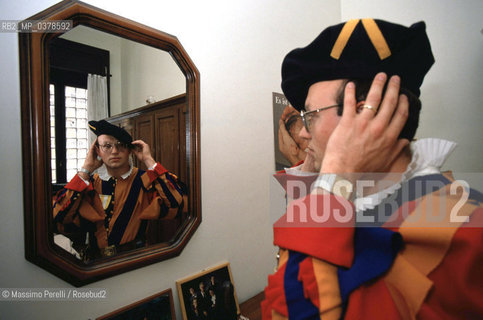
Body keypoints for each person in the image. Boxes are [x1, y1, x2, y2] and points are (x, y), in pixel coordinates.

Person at [262, 19, 483, 319]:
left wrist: (335, 174)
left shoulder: (466, 236)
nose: (302, 133)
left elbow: (289, 309)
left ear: (366, 114)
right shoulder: (358, 199)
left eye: (310, 115)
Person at [53, 120, 186, 260]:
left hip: (134, 259)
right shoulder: (88, 183)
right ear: (97, 151)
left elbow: (176, 201)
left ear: (130, 150)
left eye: (121, 145)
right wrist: (86, 169)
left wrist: (148, 160)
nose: (115, 151)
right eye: (107, 146)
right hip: (95, 262)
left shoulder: (145, 179)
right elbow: (60, 216)